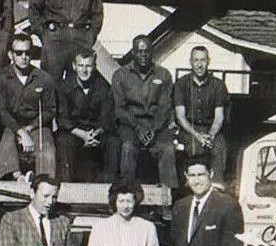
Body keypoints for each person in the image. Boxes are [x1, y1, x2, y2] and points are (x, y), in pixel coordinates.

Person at [111, 35, 178, 188]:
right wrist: (137, 127)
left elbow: (165, 107)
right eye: (139, 51)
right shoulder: (120, 75)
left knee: (167, 148)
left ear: (152, 52)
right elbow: (120, 107)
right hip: (130, 124)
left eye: (146, 51)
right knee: (128, 147)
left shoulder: (163, 75)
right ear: (133, 52)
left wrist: (153, 129)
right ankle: (126, 192)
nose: (143, 55)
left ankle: (168, 200)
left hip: (157, 125)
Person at [0, 35, 57, 182]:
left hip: (36, 124)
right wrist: (20, 131)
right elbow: (0, 110)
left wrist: (30, 128)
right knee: (7, 140)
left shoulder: (43, 78)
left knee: (46, 145)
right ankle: (16, 177)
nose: (24, 57)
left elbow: (50, 109)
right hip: (11, 124)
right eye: (19, 53)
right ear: (10, 54)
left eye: (27, 52)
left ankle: (43, 181)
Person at [56, 48, 119, 182]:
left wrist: (93, 134)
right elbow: (63, 119)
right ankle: (66, 187)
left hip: (96, 133)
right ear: (74, 66)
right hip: (74, 132)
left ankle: (110, 187)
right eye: (81, 66)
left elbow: (107, 118)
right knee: (63, 141)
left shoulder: (103, 88)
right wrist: (83, 135)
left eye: (88, 66)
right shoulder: (64, 87)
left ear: (94, 67)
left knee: (113, 142)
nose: (84, 70)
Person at [174, 46, 230, 184]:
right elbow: (180, 117)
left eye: (203, 60)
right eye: (196, 60)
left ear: (208, 61)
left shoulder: (218, 85)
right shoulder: (181, 84)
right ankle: (191, 185)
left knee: (219, 145)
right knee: (193, 146)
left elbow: (219, 117)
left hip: (210, 129)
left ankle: (216, 185)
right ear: (191, 62)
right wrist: (197, 135)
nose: (199, 64)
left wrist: (210, 135)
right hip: (189, 130)